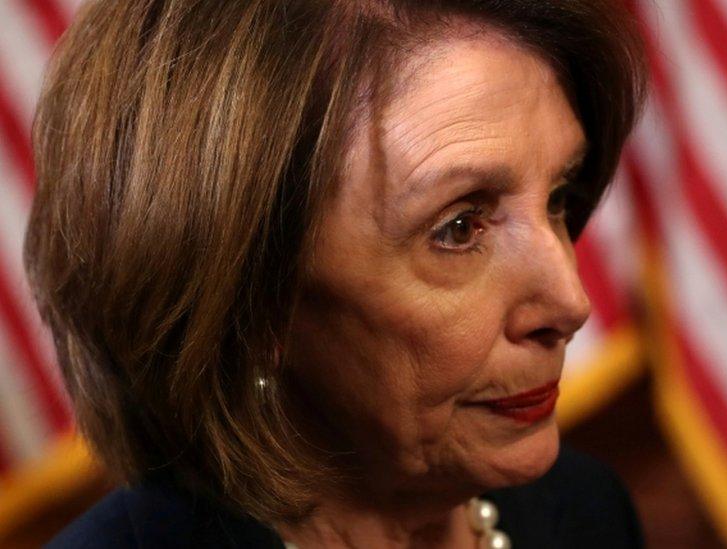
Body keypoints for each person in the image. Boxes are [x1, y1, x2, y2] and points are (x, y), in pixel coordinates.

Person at [26, 0, 647, 546]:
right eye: (458, 229)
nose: (570, 302)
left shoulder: (583, 511)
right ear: (247, 304)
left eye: (559, 197)